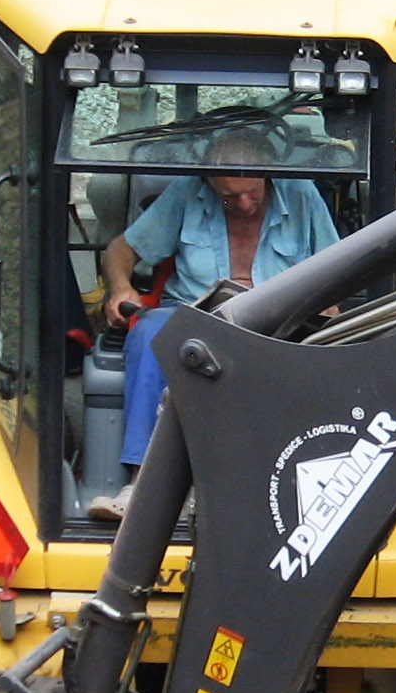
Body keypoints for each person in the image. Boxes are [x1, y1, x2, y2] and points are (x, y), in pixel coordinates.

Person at [94, 125, 341, 520]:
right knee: (149, 334)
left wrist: (328, 303)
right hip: (193, 315)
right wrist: (121, 287)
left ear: (268, 176)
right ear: (208, 184)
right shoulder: (185, 195)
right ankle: (142, 486)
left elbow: (338, 267)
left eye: (252, 194)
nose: (244, 204)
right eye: (229, 197)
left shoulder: (303, 195)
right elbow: (120, 250)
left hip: (274, 319)